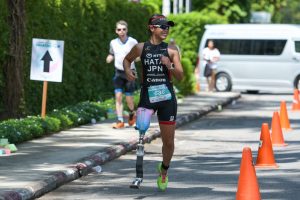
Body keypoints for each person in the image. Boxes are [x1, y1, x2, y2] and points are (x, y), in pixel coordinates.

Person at [123, 14, 183, 191]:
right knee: (141, 128)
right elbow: (127, 60)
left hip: (167, 99)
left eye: (168, 26)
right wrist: (128, 71)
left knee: (169, 143)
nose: (166, 29)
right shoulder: (141, 48)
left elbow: (180, 76)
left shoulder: (171, 51)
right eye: (162, 26)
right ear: (151, 28)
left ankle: (163, 170)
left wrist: (169, 66)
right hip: (147, 97)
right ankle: (138, 174)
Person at [106, 20, 138, 129]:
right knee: (118, 96)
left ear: (127, 30)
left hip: (130, 72)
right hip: (118, 72)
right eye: (119, 29)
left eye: (124, 29)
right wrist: (109, 58)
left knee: (129, 99)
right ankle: (120, 121)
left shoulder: (133, 42)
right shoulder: (113, 43)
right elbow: (111, 53)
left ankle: (132, 113)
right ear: (116, 31)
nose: (122, 31)